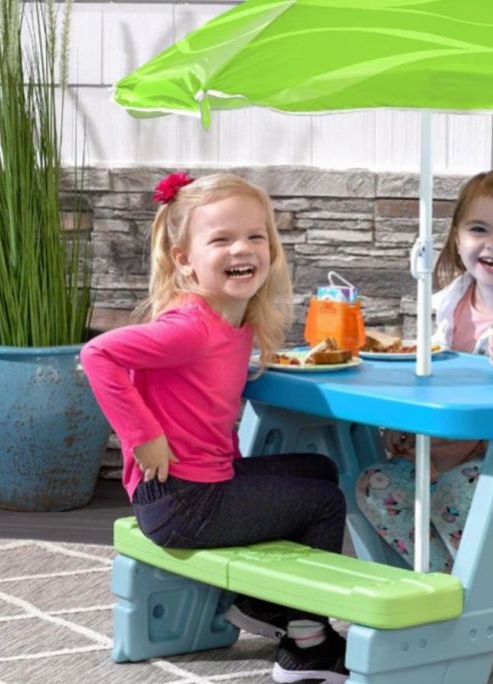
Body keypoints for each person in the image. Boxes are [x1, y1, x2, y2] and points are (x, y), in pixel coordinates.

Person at [80, 172, 349, 684]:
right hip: (182, 502)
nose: (241, 248)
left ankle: (263, 604)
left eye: (254, 236)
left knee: (318, 470)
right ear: (184, 259)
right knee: (324, 504)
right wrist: (142, 435)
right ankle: (307, 642)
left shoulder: (230, 321)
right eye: (221, 239)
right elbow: (98, 355)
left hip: (198, 486)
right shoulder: (191, 327)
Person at [356, 169, 493, 572]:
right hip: (441, 446)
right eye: (479, 229)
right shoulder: (446, 305)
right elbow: (429, 379)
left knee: (454, 495)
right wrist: (405, 424)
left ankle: (477, 591)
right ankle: (442, 586)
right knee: (374, 484)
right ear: (458, 238)